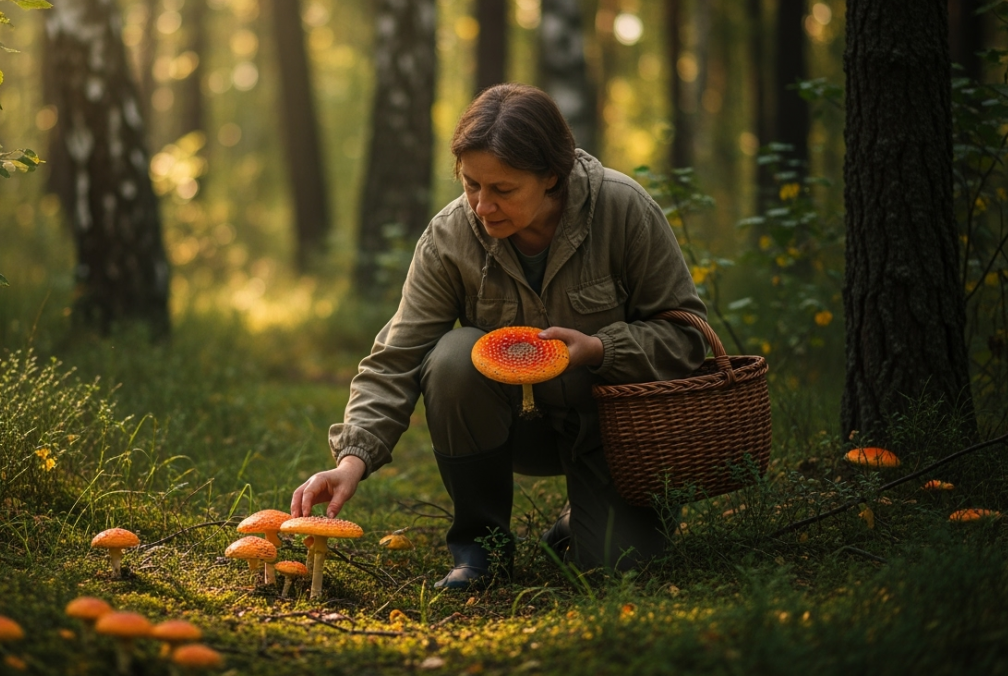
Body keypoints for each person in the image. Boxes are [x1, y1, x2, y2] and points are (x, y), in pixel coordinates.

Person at [290, 83, 708, 588]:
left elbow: (687, 338)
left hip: (614, 432)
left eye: (503, 190)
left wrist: (601, 349)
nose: (482, 206)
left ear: (552, 175)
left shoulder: (624, 210)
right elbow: (397, 357)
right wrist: (352, 459)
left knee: (617, 569)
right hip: (509, 431)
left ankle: (582, 520)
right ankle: (482, 549)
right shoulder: (450, 237)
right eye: (471, 185)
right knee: (452, 357)